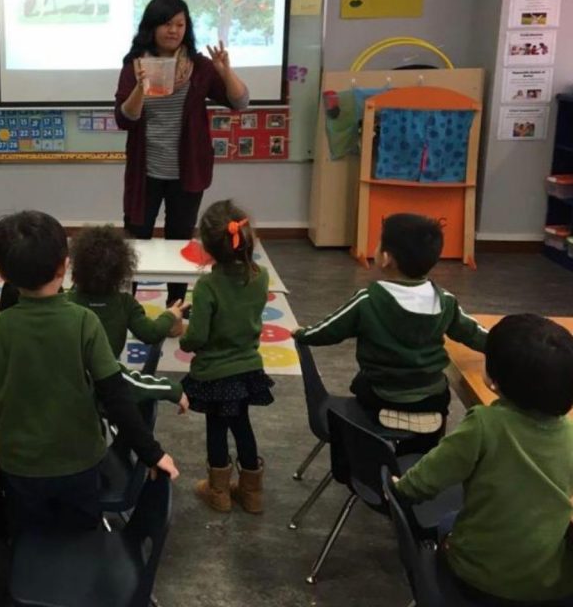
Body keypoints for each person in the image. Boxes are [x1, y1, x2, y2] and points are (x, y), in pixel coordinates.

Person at [0, 211, 179, 535]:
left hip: (20, 469)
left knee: (26, 536)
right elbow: (117, 395)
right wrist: (152, 453)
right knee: (80, 533)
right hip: (82, 466)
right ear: (63, 267)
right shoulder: (84, 322)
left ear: (0, 273)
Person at [395, 315, 573, 604]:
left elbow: (426, 479)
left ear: (493, 381)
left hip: (478, 578)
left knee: (449, 522)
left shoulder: (484, 424)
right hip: (548, 588)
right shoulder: (569, 433)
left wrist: (400, 489)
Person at [294, 213, 487, 443]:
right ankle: (420, 462)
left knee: (362, 383)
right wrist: (505, 344)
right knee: (436, 395)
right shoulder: (445, 301)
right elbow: (474, 333)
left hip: (380, 397)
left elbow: (328, 330)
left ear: (385, 258)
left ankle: (381, 455)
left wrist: (302, 334)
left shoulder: (368, 300)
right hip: (432, 400)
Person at [114, 0, 250, 307]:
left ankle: (175, 307)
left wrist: (224, 70)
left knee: (179, 241)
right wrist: (139, 87)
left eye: (179, 23)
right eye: (166, 23)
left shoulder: (200, 67)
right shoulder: (135, 65)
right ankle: (128, 308)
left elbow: (239, 102)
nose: (173, 30)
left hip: (187, 171)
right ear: (152, 27)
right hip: (145, 171)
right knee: (137, 239)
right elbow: (125, 118)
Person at [180, 200, 273, 514]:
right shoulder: (260, 278)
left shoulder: (207, 285)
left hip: (213, 373)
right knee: (242, 425)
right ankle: (253, 493)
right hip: (248, 369)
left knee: (216, 428)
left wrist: (184, 335)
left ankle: (218, 491)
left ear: (206, 246)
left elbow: (197, 337)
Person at [68, 224, 189, 410]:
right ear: (122, 275)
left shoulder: (66, 301)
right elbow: (151, 333)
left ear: (74, 274)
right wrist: (170, 315)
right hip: (109, 379)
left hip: (71, 380)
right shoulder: (125, 303)